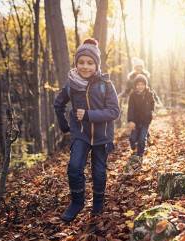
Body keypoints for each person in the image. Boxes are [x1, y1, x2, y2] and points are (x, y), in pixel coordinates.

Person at [54, 38, 120, 222]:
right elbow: (57, 104)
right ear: (76, 64)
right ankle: (77, 202)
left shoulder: (105, 84)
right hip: (80, 134)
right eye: (81, 62)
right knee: (74, 167)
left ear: (96, 65)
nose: (85, 67)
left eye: (90, 63)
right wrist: (64, 126)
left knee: (98, 172)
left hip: (102, 136)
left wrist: (90, 115)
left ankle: (98, 202)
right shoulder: (71, 85)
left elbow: (114, 111)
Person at [127, 74, 155, 161]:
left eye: (142, 84)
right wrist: (131, 120)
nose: (140, 86)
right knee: (133, 138)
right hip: (135, 121)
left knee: (142, 139)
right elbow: (130, 108)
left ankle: (140, 155)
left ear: (145, 85)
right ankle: (133, 148)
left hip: (145, 121)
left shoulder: (149, 94)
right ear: (135, 86)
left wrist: (152, 112)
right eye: (138, 85)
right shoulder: (132, 95)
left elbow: (152, 103)